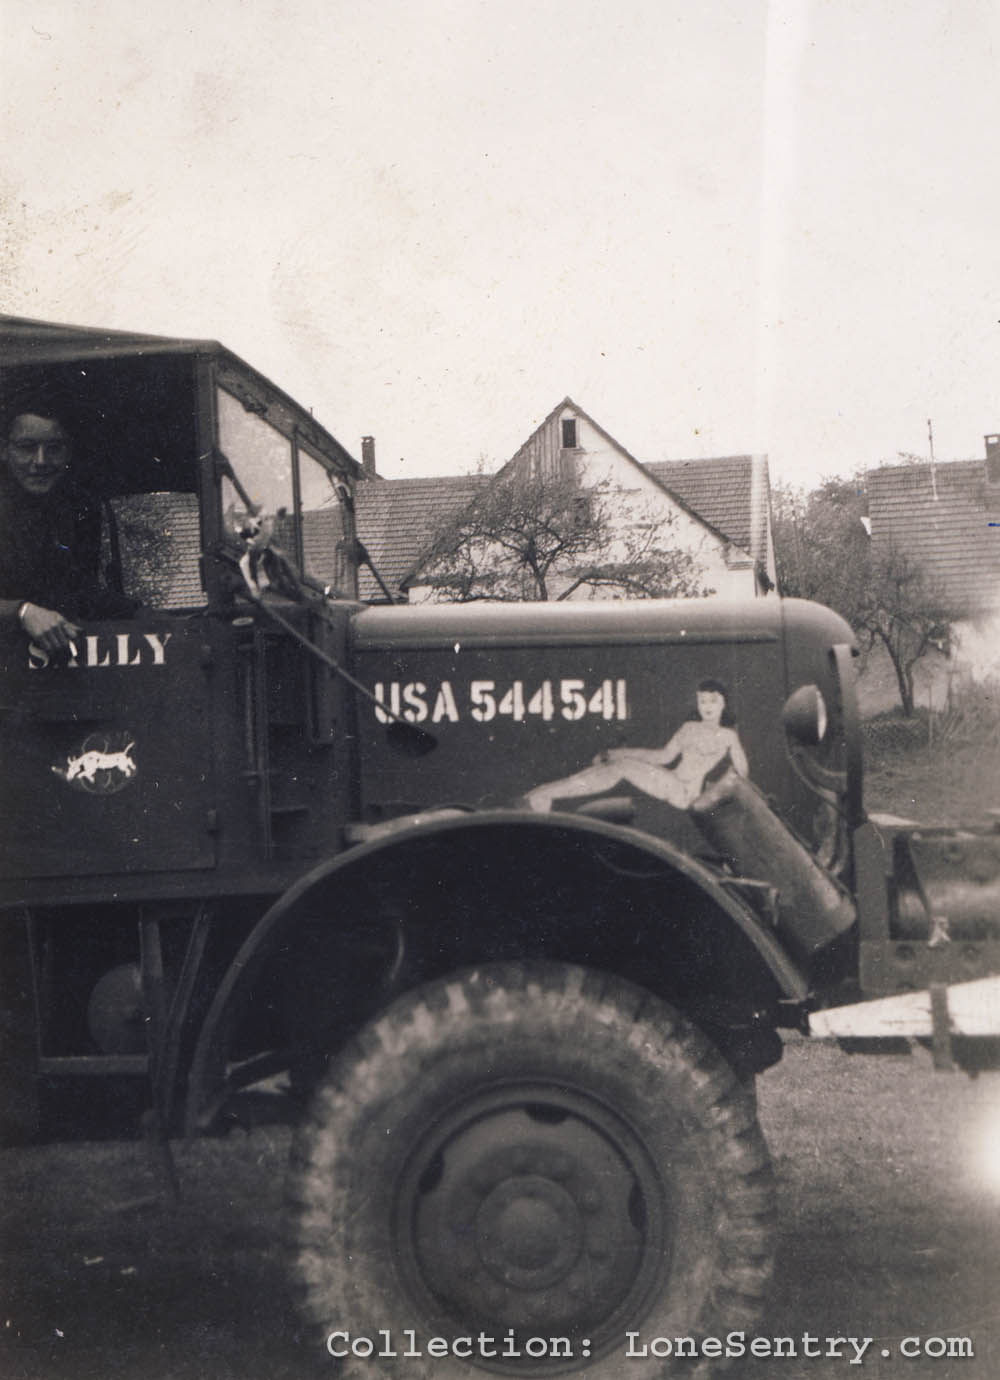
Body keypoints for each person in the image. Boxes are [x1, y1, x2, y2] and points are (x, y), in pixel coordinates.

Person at [0, 391, 131, 653]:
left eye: (54, 449)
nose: (40, 461)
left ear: (69, 452)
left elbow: (80, 593)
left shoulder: (72, 512)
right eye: (26, 448)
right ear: (4, 451)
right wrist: (21, 612)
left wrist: (144, 615)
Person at [524, 678, 750, 813]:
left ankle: (546, 794)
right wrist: (617, 753)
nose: (707, 706)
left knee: (620, 766)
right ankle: (545, 794)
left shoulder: (728, 736)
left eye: (713, 701)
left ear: (723, 704)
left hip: (685, 794)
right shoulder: (689, 728)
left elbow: (742, 772)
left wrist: (717, 793)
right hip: (672, 781)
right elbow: (663, 757)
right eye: (703, 701)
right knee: (614, 765)